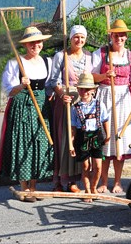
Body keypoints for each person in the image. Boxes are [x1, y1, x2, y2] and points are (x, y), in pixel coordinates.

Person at [0, 26, 54, 202]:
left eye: (38, 41)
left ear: (42, 43)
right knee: (24, 144)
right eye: (31, 42)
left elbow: (50, 86)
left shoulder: (48, 62)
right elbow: (9, 91)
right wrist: (21, 85)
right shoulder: (15, 63)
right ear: (25, 45)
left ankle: (34, 187)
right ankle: (24, 187)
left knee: (40, 144)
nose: (35, 45)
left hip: (41, 107)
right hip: (22, 107)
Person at [91, 19, 131, 194]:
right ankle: (104, 181)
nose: (119, 38)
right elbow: (91, 77)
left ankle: (118, 182)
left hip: (124, 100)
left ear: (126, 37)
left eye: (122, 35)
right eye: (116, 35)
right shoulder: (101, 53)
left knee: (120, 139)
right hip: (105, 96)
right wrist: (104, 74)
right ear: (111, 36)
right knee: (106, 140)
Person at [47, 24, 92, 193]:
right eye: (76, 37)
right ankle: (59, 181)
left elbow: (92, 77)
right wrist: (61, 93)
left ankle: (73, 182)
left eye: (82, 37)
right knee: (64, 141)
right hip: (65, 101)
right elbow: (53, 80)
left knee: (78, 141)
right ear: (70, 38)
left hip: (82, 102)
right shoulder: (61, 56)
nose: (79, 40)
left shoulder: (89, 56)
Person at [65, 73, 110, 202]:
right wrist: (71, 144)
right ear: (78, 90)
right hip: (82, 136)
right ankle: (87, 190)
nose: (84, 92)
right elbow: (73, 127)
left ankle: (94, 187)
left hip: (96, 135)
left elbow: (105, 120)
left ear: (93, 90)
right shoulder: (75, 108)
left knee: (98, 166)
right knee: (85, 166)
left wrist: (108, 135)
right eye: (81, 89)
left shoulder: (99, 105)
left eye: (87, 89)